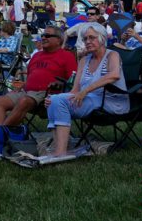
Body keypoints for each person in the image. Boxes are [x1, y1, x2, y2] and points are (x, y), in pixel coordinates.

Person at [0, 24, 76, 149]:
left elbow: (73, 81)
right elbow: (31, 76)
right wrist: (23, 85)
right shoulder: (37, 55)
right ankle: (2, 138)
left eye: (48, 35)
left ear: (59, 40)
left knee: (24, 101)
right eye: (42, 35)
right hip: (28, 92)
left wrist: (61, 85)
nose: (43, 38)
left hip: (48, 94)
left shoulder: (67, 56)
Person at [44, 23, 127, 161]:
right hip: (89, 98)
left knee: (58, 101)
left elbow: (114, 75)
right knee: (53, 100)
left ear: (102, 38)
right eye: (85, 39)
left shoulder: (112, 55)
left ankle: (60, 153)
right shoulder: (84, 60)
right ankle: (60, 148)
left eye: (91, 38)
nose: (87, 41)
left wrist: (86, 90)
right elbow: (75, 89)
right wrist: (57, 97)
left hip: (110, 100)